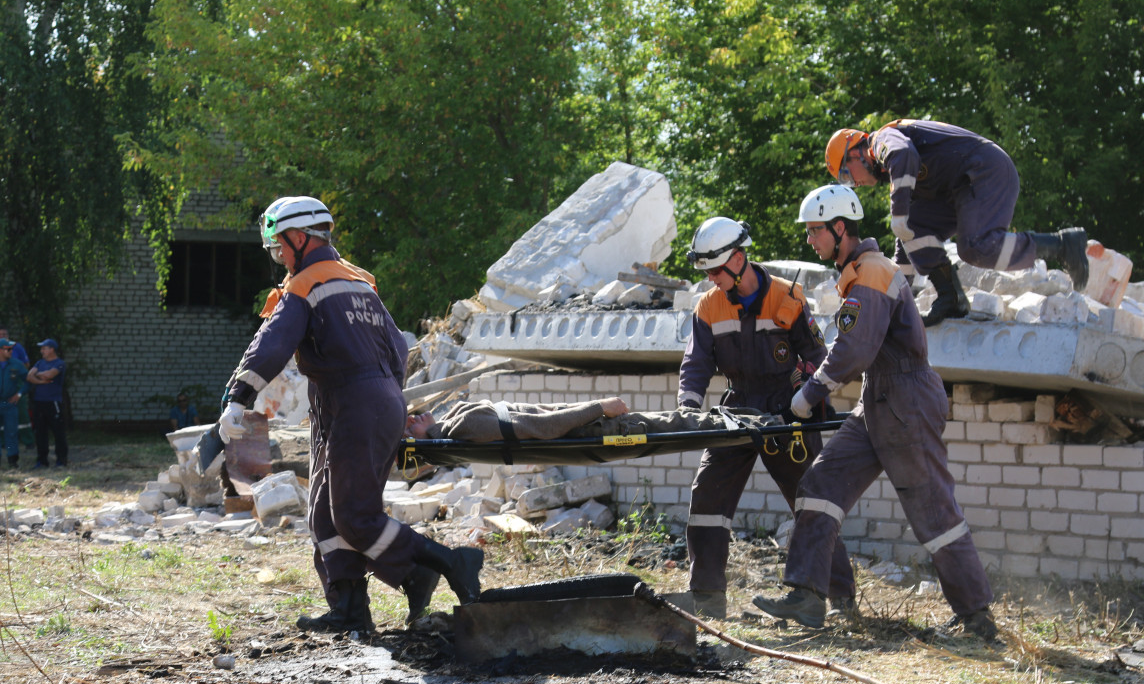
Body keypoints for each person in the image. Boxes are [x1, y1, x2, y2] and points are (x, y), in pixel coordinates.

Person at [215, 195, 482, 633]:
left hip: (353, 401)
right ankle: (350, 609)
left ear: (299, 238)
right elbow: (398, 347)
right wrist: (385, 402)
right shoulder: (359, 282)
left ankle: (450, 563)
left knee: (355, 517)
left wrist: (238, 397)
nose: (278, 255)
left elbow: (272, 343)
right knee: (323, 512)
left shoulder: (305, 284)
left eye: (280, 245)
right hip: (362, 399)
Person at [753, 185, 997, 640]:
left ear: (840, 228)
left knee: (932, 510)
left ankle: (977, 616)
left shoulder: (871, 272)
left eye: (815, 231)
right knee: (819, 484)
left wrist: (807, 396)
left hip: (905, 402)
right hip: (880, 400)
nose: (810, 240)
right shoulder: (859, 272)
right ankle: (808, 594)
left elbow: (854, 349)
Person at [677, 216, 856, 620]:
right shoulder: (709, 306)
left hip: (785, 412)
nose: (711, 279)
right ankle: (707, 600)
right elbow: (697, 363)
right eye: (706, 272)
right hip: (736, 408)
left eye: (716, 270)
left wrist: (804, 399)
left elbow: (816, 357)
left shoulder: (788, 297)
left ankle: (842, 600)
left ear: (739, 259)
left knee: (814, 503)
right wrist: (687, 407)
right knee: (707, 496)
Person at [825, 120, 1090, 326]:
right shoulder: (890, 167)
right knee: (914, 227)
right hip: (959, 186)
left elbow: (903, 154)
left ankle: (1063, 245)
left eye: (847, 175)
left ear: (856, 151)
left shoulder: (881, 140)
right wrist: (894, 300)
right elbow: (906, 242)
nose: (854, 184)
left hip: (984, 169)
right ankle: (951, 298)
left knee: (975, 247)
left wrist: (898, 212)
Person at [407, 396, 783, 442]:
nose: (414, 416)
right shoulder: (463, 428)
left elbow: (540, 415)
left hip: (593, 421)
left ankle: (761, 419)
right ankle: (767, 424)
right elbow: (542, 428)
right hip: (599, 428)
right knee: (683, 423)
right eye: (409, 424)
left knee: (681, 419)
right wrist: (598, 407)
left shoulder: (455, 418)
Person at [26, 338, 67, 469]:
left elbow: (50, 375)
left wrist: (39, 374)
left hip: (53, 402)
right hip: (39, 402)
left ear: (51, 349)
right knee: (40, 433)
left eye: (44, 348)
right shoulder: (39, 362)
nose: (41, 351)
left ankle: (61, 461)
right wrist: (40, 380)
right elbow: (29, 376)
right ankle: (42, 461)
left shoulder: (60, 363)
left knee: (58, 432)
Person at [0, 338, 28, 469]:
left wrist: (19, 394)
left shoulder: (16, 364)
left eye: (11, 349)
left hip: (9, 404)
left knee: (11, 432)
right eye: (8, 349)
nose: (11, 351)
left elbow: (28, 381)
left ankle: (12, 460)